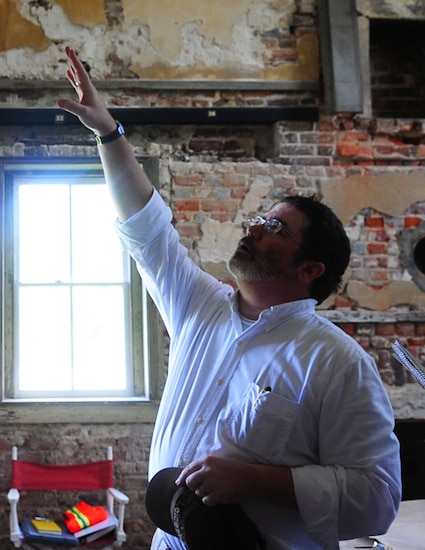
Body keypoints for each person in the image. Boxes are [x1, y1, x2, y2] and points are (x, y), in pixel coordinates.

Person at [57, 46, 401, 550]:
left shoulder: (335, 361)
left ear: (309, 269)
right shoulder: (200, 306)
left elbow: (378, 499)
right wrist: (110, 134)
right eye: (259, 219)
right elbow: (146, 230)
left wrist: (254, 480)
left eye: (275, 228)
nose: (254, 228)